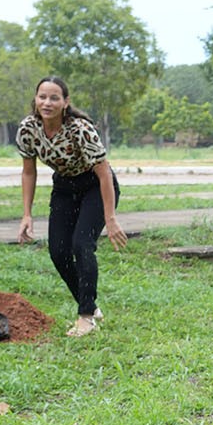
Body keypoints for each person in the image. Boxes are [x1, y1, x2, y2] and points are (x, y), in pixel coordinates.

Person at [15, 75, 127, 338]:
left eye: (54, 97)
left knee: (81, 244)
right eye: (42, 96)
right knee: (58, 251)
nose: (47, 102)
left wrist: (110, 218)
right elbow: (28, 172)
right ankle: (90, 304)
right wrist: (27, 214)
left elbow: (104, 174)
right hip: (64, 188)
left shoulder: (80, 129)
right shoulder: (28, 129)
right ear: (35, 99)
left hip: (94, 187)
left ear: (65, 102)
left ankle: (86, 316)